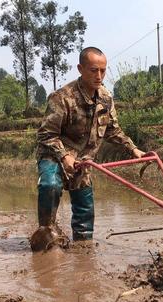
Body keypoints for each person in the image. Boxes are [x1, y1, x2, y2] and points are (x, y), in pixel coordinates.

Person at [35, 46, 145, 241]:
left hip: (84, 161)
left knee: (85, 210)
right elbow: (46, 134)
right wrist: (64, 156)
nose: (99, 76)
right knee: (49, 186)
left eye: (103, 70)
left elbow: (112, 129)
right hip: (54, 155)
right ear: (80, 68)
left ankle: (84, 251)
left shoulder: (106, 98)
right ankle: (45, 232)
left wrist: (133, 149)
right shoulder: (62, 98)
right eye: (94, 70)